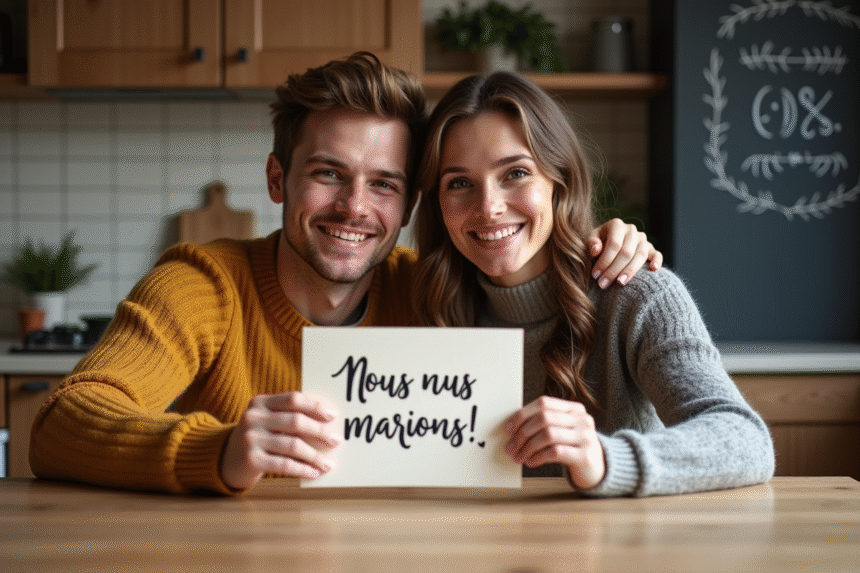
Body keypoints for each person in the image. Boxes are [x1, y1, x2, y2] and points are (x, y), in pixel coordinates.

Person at [29, 53, 661, 495]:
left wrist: (606, 245)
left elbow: (525, 267)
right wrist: (215, 451)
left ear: (411, 201)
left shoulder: (436, 291)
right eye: (328, 173)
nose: (355, 208)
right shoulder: (204, 284)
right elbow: (60, 425)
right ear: (279, 179)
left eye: (383, 184)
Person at [412, 72, 774, 497]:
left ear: (558, 180)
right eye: (459, 183)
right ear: (437, 203)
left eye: (516, 173)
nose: (488, 207)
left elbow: (745, 441)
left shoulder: (638, 295)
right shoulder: (428, 303)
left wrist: (603, 459)